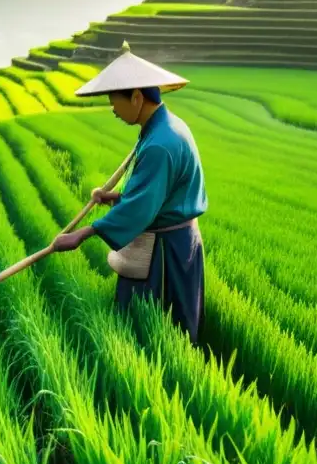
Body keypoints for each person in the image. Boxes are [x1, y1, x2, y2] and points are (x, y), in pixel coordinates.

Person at [51, 44, 208, 343]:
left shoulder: (160, 142)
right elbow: (155, 191)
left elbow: (141, 207)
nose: (112, 109)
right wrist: (115, 197)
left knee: (157, 332)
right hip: (173, 240)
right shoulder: (163, 128)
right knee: (153, 325)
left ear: (136, 97)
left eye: (114, 101)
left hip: (165, 252)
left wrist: (81, 234)